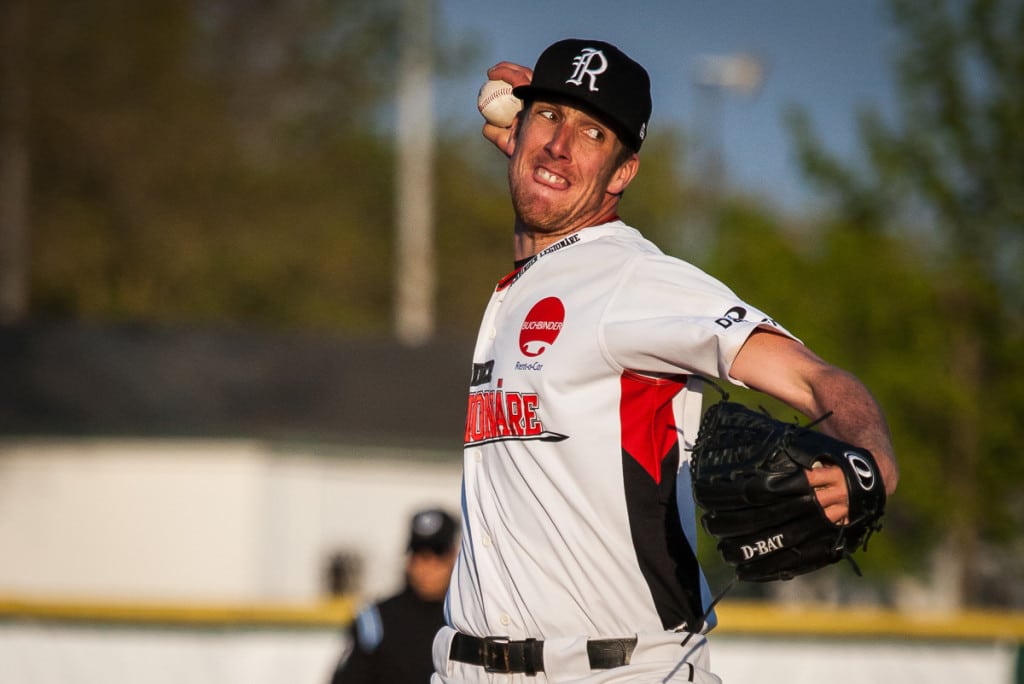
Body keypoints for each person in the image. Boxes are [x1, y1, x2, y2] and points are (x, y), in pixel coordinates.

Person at [430, 39, 899, 683]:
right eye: (550, 116)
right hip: (465, 667)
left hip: (615, 670)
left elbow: (821, 381)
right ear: (516, 130)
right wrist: (547, 151)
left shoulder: (631, 279)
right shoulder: (524, 283)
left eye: (593, 133)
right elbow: (549, 162)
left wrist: (875, 462)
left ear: (622, 174)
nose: (562, 143)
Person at [332, 508, 459, 684]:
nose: (427, 566)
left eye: (437, 554)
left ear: (454, 556)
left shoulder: (467, 620)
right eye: (418, 554)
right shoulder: (376, 619)